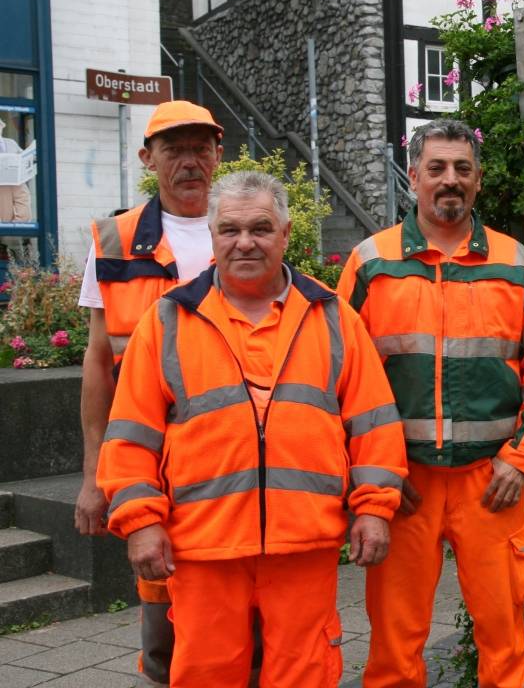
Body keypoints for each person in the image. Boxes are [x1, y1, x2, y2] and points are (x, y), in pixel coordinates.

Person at [97, 170, 408, 687]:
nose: (245, 242)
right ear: (213, 236)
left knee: (304, 675)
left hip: (304, 548)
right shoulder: (168, 320)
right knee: (204, 675)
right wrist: (140, 522)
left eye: (261, 228)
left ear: (286, 234)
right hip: (203, 549)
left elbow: (373, 423)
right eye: (230, 229)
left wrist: (375, 508)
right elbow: (130, 435)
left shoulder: (331, 316)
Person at [337, 119, 524, 688]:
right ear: (413, 176)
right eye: (436, 168)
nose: (450, 180)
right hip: (403, 485)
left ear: (479, 181)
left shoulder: (515, 263)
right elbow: (337, 376)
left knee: (503, 639)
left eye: (462, 169)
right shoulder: (370, 263)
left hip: (489, 482)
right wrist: (375, 475)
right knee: (393, 644)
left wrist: (519, 459)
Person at [75, 100, 224, 686]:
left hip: (232, 458)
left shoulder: (241, 228)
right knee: (162, 621)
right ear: (148, 157)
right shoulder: (115, 240)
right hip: (151, 464)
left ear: (219, 154)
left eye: (201, 147)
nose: (190, 161)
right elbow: (98, 362)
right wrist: (93, 476)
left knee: (242, 617)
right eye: (174, 148)